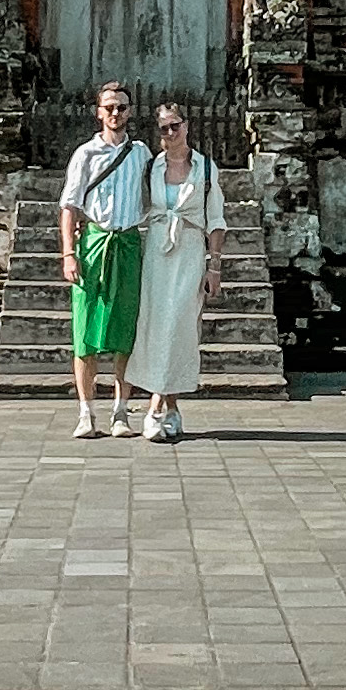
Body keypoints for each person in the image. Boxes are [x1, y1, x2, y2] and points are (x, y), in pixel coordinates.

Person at [123, 98, 226, 443]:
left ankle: (155, 408)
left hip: (190, 250)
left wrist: (215, 265)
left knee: (180, 326)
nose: (171, 132)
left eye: (175, 125)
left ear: (187, 126)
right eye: (164, 128)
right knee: (156, 325)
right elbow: (133, 205)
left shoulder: (206, 168)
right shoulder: (151, 167)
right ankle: (170, 408)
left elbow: (216, 220)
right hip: (156, 251)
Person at [58, 79, 150, 437]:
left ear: (129, 112)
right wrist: (69, 252)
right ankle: (85, 412)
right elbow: (69, 205)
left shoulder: (141, 153)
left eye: (122, 107)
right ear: (98, 113)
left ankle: (121, 412)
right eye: (109, 107)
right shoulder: (86, 154)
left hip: (127, 244)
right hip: (93, 244)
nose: (115, 113)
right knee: (85, 331)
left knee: (125, 331)